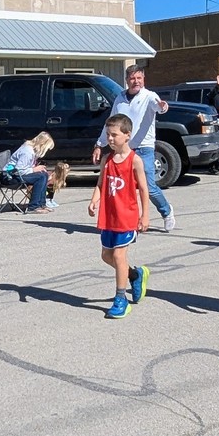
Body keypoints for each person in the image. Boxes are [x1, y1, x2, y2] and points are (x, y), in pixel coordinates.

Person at [92, 65, 176, 231]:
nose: (136, 81)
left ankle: (166, 211)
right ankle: (126, 221)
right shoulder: (120, 98)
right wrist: (99, 144)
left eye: (139, 78)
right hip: (124, 150)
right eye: (132, 78)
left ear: (143, 79)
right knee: (124, 188)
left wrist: (163, 106)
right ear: (127, 80)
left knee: (149, 187)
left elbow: (159, 107)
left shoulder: (149, 96)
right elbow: (110, 124)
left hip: (144, 148)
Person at [87, 113, 150, 319]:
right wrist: (94, 200)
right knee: (106, 256)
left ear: (127, 135)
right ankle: (135, 274)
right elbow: (101, 184)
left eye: (114, 135)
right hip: (109, 216)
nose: (110, 138)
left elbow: (144, 189)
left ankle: (121, 299)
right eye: (108, 134)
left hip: (127, 217)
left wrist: (145, 216)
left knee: (118, 256)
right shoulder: (107, 160)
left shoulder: (135, 161)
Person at [8, 132, 55, 214]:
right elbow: (18, 170)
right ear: (42, 145)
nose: (46, 151)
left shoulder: (31, 150)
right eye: (47, 148)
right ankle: (33, 206)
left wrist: (37, 169)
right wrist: (34, 169)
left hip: (16, 175)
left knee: (44, 175)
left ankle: (41, 204)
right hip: (10, 177)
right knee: (40, 177)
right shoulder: (27, 152)